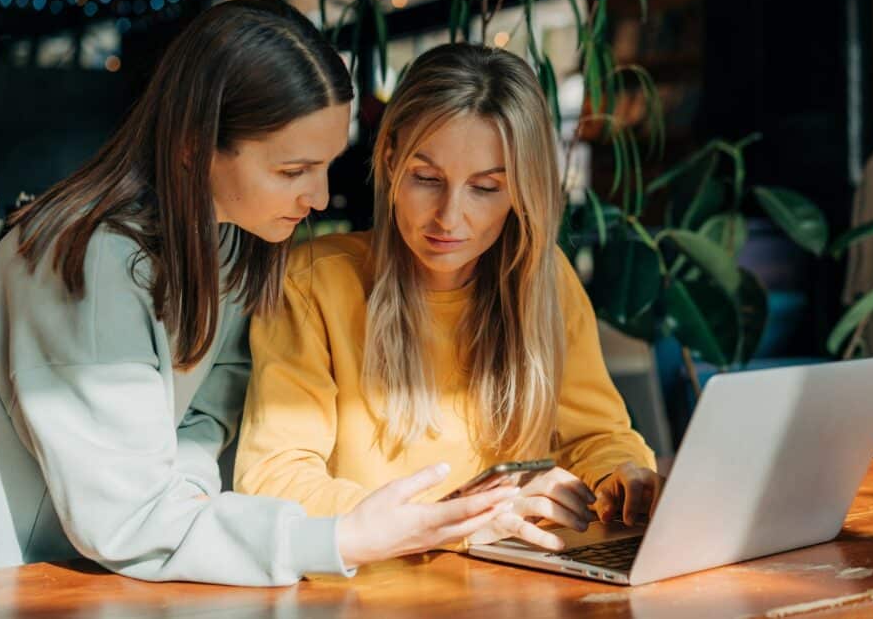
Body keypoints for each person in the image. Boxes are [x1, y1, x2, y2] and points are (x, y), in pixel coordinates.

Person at [0, 0, 515, 583]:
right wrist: (340, 537)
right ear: (194, 146)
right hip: (9, 586)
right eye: (292, 171)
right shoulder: (83, 262)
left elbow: (206, 413)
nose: (321, 198)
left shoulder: (230, 239)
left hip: (119, 581)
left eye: (327, 164)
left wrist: (189, 496)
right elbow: (125, 521)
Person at [235, 43, 662, 552]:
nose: (449, 217)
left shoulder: (545, 281)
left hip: (516, 583)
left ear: (521, 191)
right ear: (390, 159)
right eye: (427, 179)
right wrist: (459, 521)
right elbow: (274, 483)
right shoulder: (311, 282)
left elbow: (593, 435)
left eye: (484, 188)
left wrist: (620, 473)